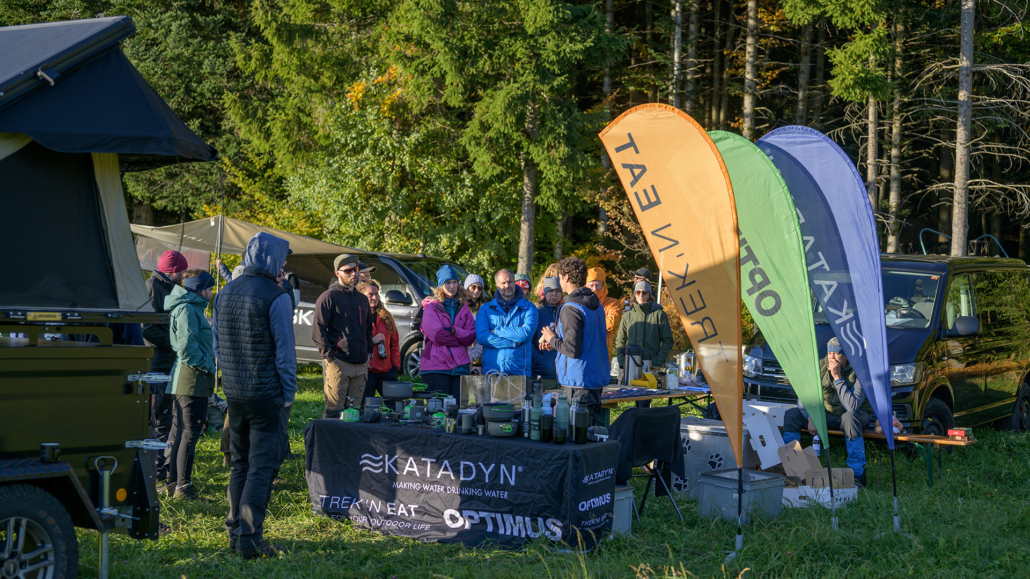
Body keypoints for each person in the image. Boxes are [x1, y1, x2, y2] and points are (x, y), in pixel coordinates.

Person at [212, 232, 296, 558]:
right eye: (282, 259)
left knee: (239, 465)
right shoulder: (277, 296)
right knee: (260, 468)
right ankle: (248, 539)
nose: (284, 265)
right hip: (265, 394)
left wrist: (230, 381)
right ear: (272, 259)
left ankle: (235, 533)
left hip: (235, 392)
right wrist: (288, 393)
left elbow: (218, 347)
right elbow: (285, 353)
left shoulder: (224, 292)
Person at [782, 337, 874, 488]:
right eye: (829, 353)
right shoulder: (820, 366)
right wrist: (812, 416)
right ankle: (794, 470)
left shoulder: (860, 371)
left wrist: (838, 378)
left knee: (849, 417)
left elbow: (852, 406)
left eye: (836, 354)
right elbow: (804, 396)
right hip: (825, 415)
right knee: (791, 415)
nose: (832, 358)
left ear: (846, 355)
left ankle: (857, 473)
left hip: (856, 416)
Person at [162, 269, 217, 500]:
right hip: (191, 380)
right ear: (201, 289)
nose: (211, 293)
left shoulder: (191, 308)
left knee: (181, 433)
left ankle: (174, 483)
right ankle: (183, 488)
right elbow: (187, 349)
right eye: (209, 289)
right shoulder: (187, 309)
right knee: (189, 435)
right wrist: (209, 366)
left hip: (188, 379)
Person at [540, 257, 609, 426]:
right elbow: (586, 340)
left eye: (560, 277)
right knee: (589, 431)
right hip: (594, 380)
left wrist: (552, 338)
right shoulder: (597, 304)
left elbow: (572, 350)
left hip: (577, 383)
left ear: (567, 278)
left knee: (577, 434)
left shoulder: (570, 308)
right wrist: (556, 343)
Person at [142, 249, 188, 484]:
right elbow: (148, 329)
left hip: (166, 363)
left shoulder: (168, 288)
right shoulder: (153, 287)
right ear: (173, 271)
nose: (184, 276)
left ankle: (162, 471)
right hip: (157, 364)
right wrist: (176, 343)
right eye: (182, 272)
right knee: (160, 420)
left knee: (167, 419)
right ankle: (158, 475)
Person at [313, 254, 374, 418]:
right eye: (348, 271)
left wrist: (369, 352)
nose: (353, 273)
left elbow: (368, 329)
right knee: (334, 413)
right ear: (337, 273)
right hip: (339, 362)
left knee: (354, 414)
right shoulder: (328, 297)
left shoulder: (363, 299)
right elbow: (318, 331)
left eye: (355, 269)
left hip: (361, 363)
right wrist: (330, 358)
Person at [420, 265, 477, 397]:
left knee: (458, 408)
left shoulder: (464, 308)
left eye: (454, 282)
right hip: (436, 366)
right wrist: (459, 341)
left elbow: (471, 337)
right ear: (441, 286)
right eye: (448, 283)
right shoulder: (431, 307)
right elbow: (438, 336)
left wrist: (454, 331)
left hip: (461, 367)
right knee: (437, 408)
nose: (452, 286)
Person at [476, 269, 538, 377]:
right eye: (503, 283)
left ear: (514, 282)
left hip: (519, 373)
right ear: (497, 285)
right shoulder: (485, 309)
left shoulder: (529, 307)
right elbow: (482, 337)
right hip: (492, 371)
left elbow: (525, 334)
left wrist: (496, 331)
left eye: (510, 282)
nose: (507, 285)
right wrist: (512, 343)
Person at [614, 280, 674, 379]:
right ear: (635, 294)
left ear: (649, 294)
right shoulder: (627, 316)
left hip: (652, 367)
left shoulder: (659, 314)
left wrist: (658, 361)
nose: (641, 295)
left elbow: (668, 340)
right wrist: (622, 363)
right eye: (638, 292)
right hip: (630, 367)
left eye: (645, 292)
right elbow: (620, 341)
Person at [359, 280, 400, 399]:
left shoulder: (386, 316)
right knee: (366, 406)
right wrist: (372, 341)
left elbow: (395, 343)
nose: (374, 297)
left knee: (394, 405)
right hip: (367, 371)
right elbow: (354, 343)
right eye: (370, 295)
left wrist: (395, 366)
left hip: (387, 371)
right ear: (361, 296)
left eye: (376, 294)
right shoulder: (357, 317)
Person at [532, 276, 562, 388]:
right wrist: (539, 360)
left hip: (563, 375)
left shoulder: (566, 313)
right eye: (550, 291)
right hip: (542, 375)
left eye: (557, 291)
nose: (554, 294)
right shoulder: (536, 313)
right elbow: (528, 343)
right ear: (545, 293)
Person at [585, 267, 623, 358]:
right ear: (585, 286)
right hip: (585, 355)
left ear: (604, 285)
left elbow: (612, 322)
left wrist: (588, 322)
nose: (595, 289)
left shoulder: (613, 304)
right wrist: (604, 319)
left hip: (604, 355)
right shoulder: (581, 304)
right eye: (591, 285)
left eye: (598, 285)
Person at [463, 274, 488, 370]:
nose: (476, 290)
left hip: (481, 357)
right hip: (464, 356)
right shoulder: (461, 306)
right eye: (473, 287)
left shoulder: (485, 308)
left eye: (479, 288)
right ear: (467, 288)